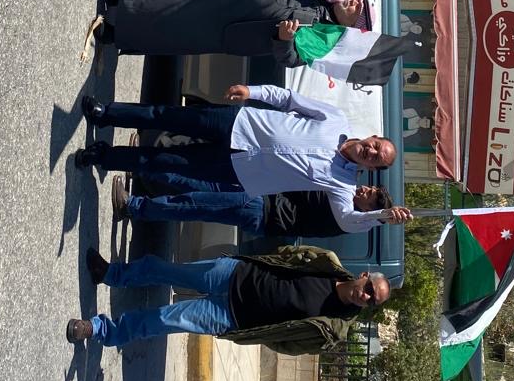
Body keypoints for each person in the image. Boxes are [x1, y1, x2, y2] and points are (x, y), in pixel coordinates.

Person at [75, 82, 413, 234]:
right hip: (239, 123)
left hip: (239, 169)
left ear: (371, 168)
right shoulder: (336, 119)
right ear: (373, 136)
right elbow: (289, 99)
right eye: (376, 146)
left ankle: (103, 156)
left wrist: (381, 216)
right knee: (168, 116)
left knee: (163, 163)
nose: (371, 152)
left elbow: (347, 220)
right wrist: (253, 92)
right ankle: (107, 114)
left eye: (376, 159)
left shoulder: (343, 184)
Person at [65, 244, 391, 353]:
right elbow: (290, 254)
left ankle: (100, 330)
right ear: (364, 276)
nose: (365, 296)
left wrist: (255, 332)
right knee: (163, 269)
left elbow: (288, 346)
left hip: (230, 315)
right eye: (369, 289)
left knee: (163, 320)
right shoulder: (328, 262)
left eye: (371, 300)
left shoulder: (332, 331)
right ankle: (111, 274)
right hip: (233, 273)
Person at [87, 0, 374, 63]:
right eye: (357, 0)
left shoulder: (323, 38)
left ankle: (116, 33)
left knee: (174, 24)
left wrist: (285, 40)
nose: (352, 1)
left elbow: (290, 59)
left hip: (232, 24)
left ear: (352, 25)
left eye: (356, 8)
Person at [110, 181, 394, 236]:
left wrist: (384, 215)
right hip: (262, 201)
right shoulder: (347, 200)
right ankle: (147, 182)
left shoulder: (347, 217)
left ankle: (134, 207)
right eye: (370, 188)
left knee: (195, 204)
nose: (365, 189)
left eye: (370, 195)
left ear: (369, 210)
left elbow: (361, 219)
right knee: (200, 193)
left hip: (262, 208)